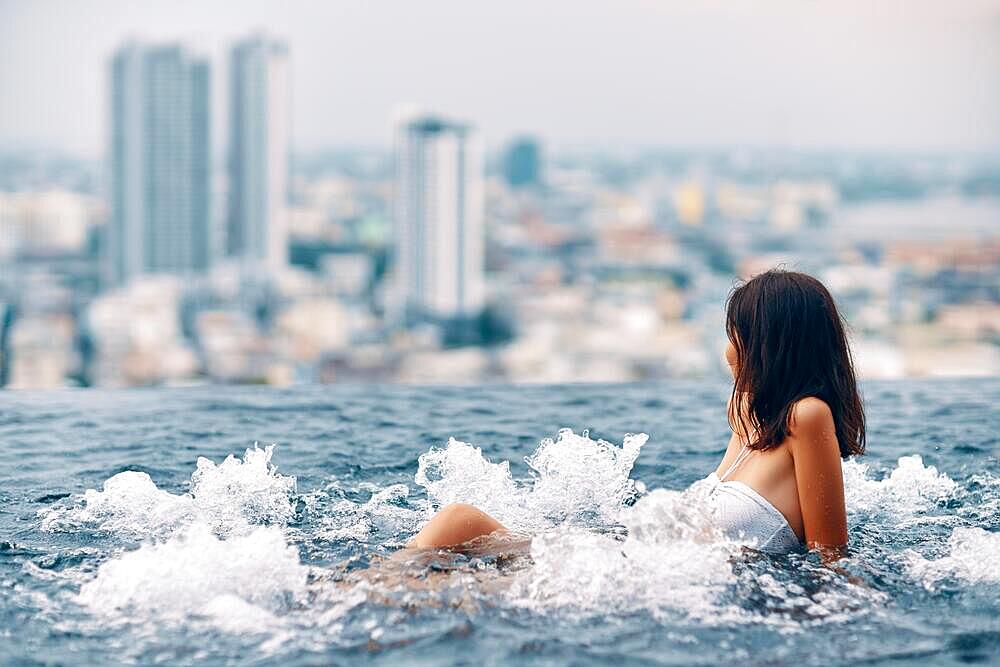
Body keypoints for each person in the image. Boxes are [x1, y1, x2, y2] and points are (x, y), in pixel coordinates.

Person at [409, 269, 866, 561]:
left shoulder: (808, 417)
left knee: (456, 527)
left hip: (642, 580)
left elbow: (830, 555)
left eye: (737, 334)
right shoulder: (749, 416)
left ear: (770, 345)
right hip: (627, 560)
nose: (729, 349)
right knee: (456, 526)